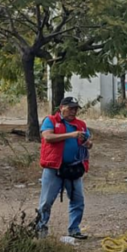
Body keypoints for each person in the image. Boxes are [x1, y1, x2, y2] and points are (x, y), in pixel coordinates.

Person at [38, 96, 93, 240]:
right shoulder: (50, 120)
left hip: (74, 168)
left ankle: (74, 229)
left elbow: (88, 142)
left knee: (78, 200)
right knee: (46, 202)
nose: (73, 112)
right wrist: (71, 135)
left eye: (75, 109)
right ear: (62, 107)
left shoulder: (81, 124)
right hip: (53, 168)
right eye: (70, 108)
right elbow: (47, 137)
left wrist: (87, 143)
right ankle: (40, 230)